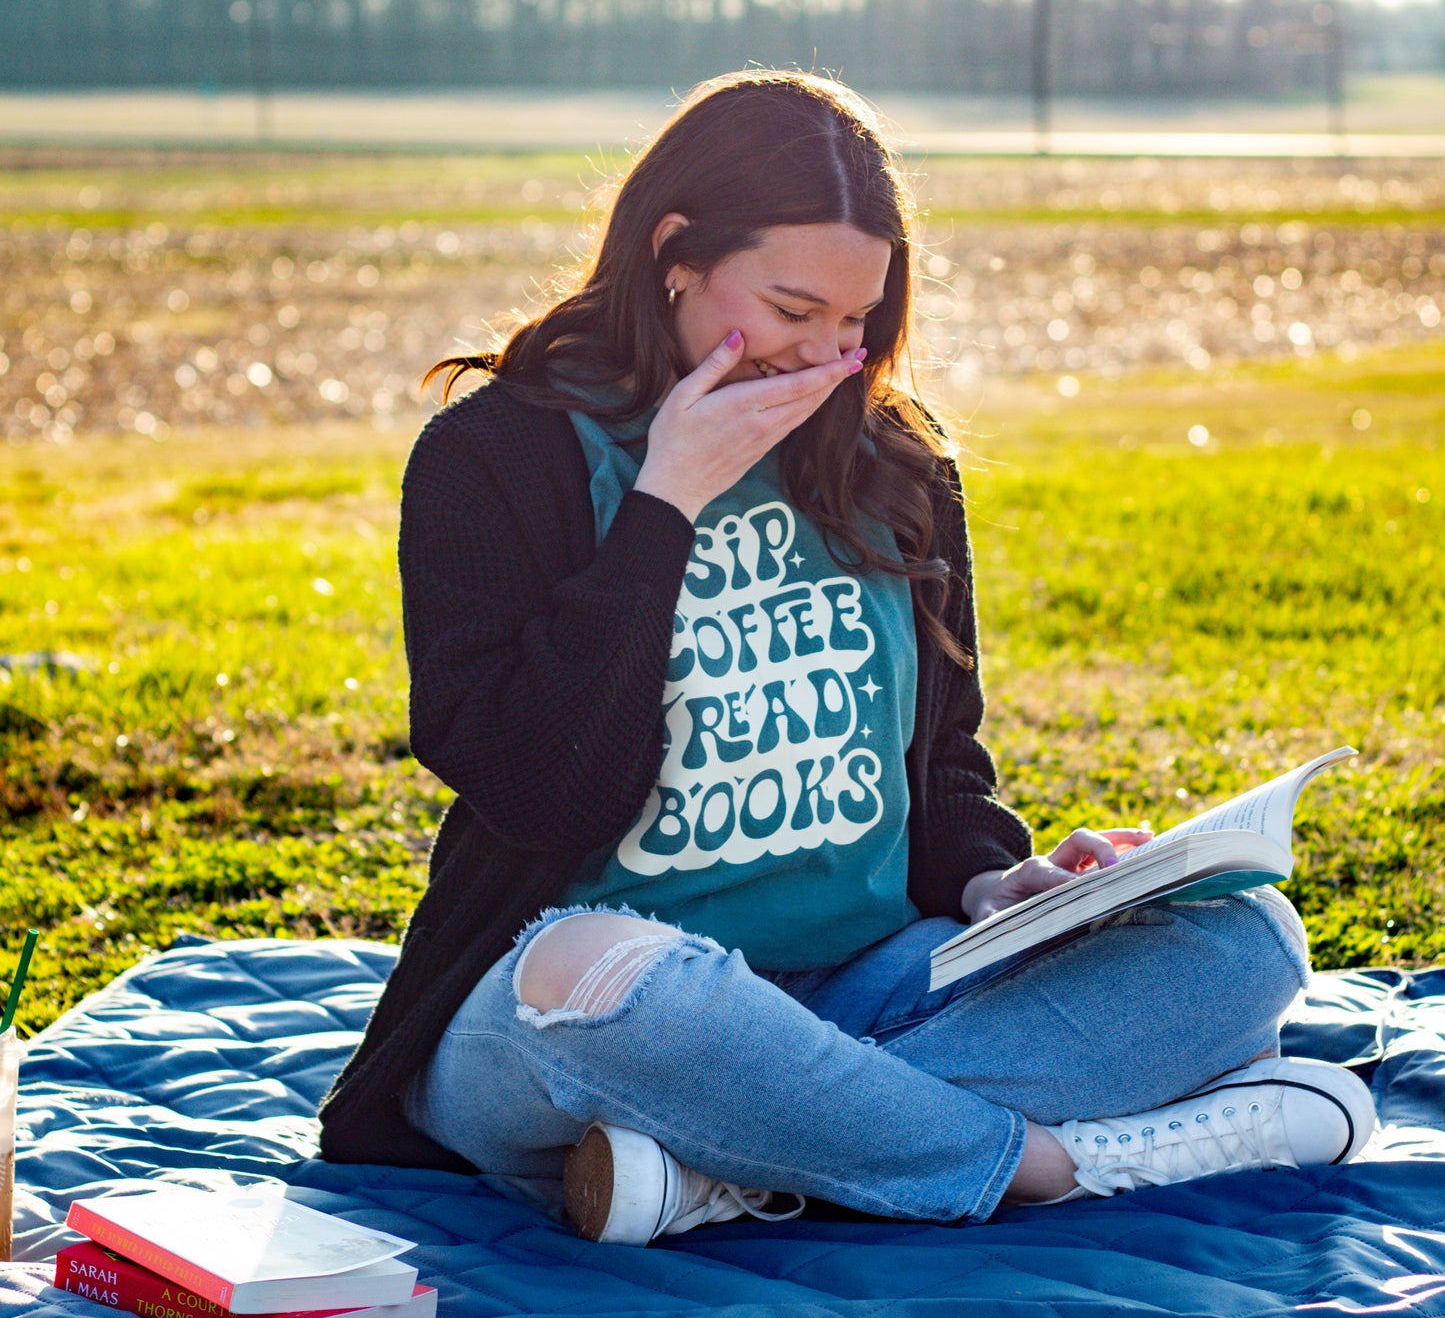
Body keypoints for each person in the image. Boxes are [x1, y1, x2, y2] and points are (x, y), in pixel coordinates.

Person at [318, 71, 1373, 1242]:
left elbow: (941, 761)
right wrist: (665, 499)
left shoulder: (893, 463)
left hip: (864, 979)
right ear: (674, 252)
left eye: (855, 320)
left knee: (1243, 941)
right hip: (569, 1016)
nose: (827, 355)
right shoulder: (494, 457)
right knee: (607, 970)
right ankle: (1043, 1163)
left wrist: (987, 880)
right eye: (789, 307)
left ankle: (732, 1165)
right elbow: (544, 784)